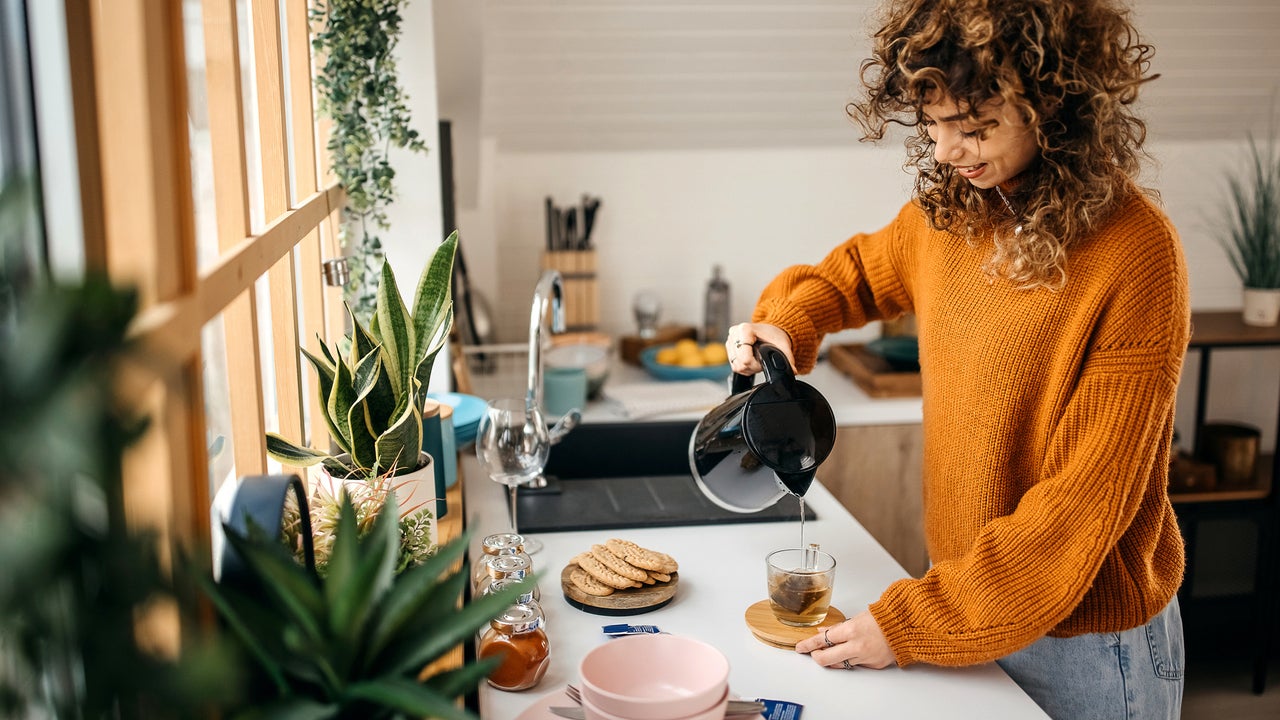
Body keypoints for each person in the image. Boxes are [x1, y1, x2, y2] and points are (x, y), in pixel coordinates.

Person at [728, 0, 1188, 717]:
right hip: (963, 606)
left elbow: (1075, 511)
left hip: (1088, 647)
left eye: (973, 128)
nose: (944, 152)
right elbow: (854, 272)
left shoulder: (1136, 255)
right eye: (934, 125)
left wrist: (911, 621)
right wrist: (788, 324)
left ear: (1055, 109)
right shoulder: (953, 215)